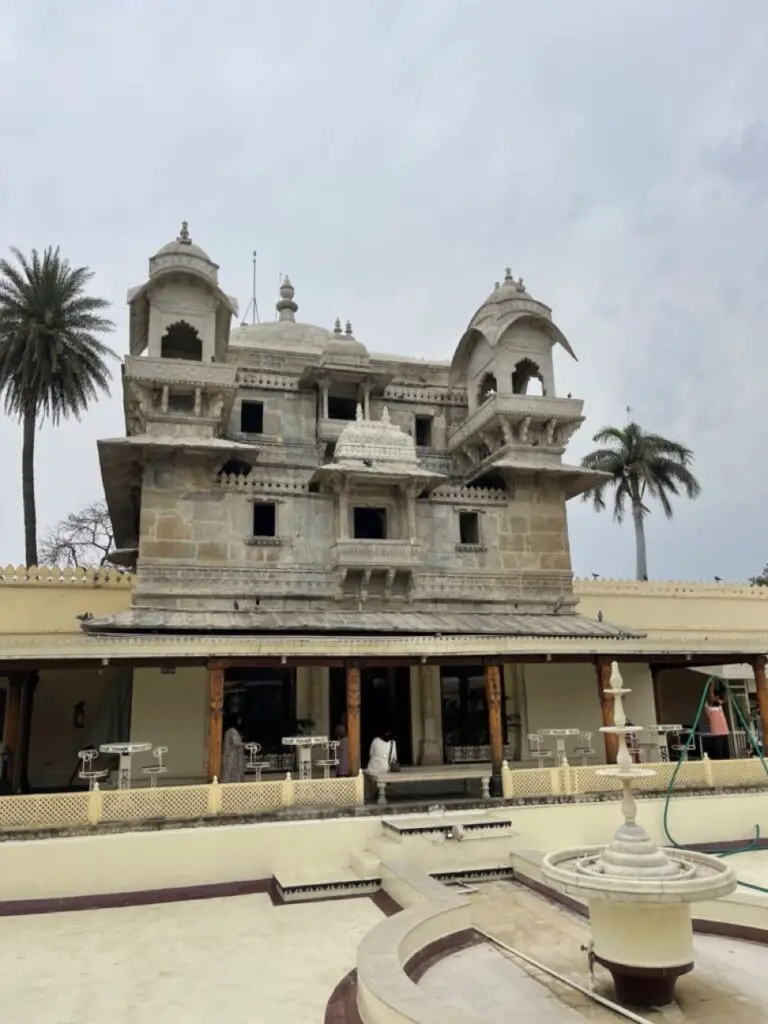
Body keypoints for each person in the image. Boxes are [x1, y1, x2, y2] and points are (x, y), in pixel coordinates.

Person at [704, 685, 730, 760]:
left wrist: (726, 689)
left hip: (724, 732)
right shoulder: (709, 705)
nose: (718, 699)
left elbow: (724, 700)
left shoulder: (719, 705)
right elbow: (711, 698)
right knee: (718, 754)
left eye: (718, 697)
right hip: (716, 733)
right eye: (716, 697)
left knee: (726, 754)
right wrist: (711, 685)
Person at [222, 715, 246, 782]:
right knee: (232, 772)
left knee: (229, 772)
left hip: (231, 755)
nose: (240, 722)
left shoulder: (228, 731)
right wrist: (247, 745)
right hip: (233, 756)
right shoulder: (232, 731)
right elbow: (236, 743)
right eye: (238, 720)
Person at [335, 712, 350, 777]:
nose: (344, 719)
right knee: (341, 760)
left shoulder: (349, 725)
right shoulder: (338, 726)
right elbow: (339, 734)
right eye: (343, 717)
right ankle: (341, 773)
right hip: (341, 744)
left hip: (347, 745)